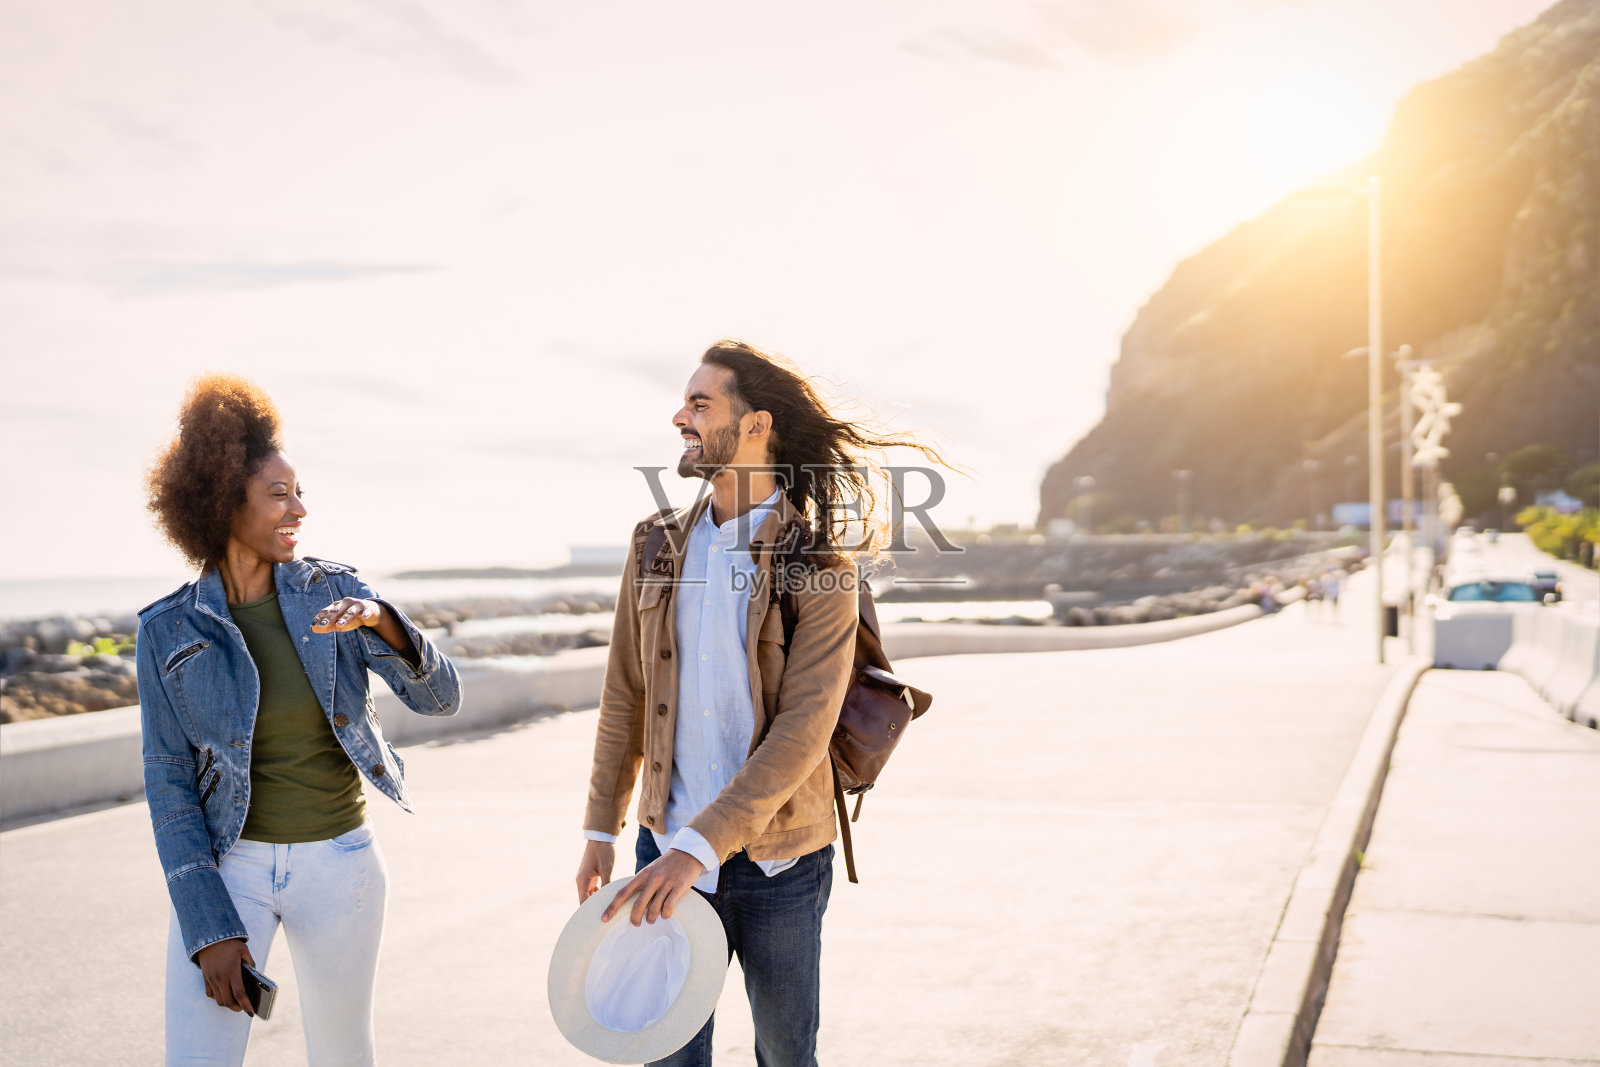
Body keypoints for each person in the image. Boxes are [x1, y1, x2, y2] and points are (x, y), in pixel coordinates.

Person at [575, 339, 949, 1066]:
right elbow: (623, 691)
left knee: (784, 1052)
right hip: (663, 849)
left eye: (699, 402)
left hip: (780, 863)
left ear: (756, 426)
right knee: (666, 1051)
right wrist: (600, 823)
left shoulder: (820, 566)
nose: (679, 415)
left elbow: (802, 732)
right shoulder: (652, 545)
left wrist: (697, 849)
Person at [136, 375, 461, 1066]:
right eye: (280, 494)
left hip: (340, 864)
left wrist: (386, 621)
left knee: (344, 1056)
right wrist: (206, 918)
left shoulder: (339, 593)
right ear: (225, 503)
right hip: (231, 869)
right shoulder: (165, 630)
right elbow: (168, 782)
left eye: (300, 491)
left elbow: (441, 698)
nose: (300, 509)